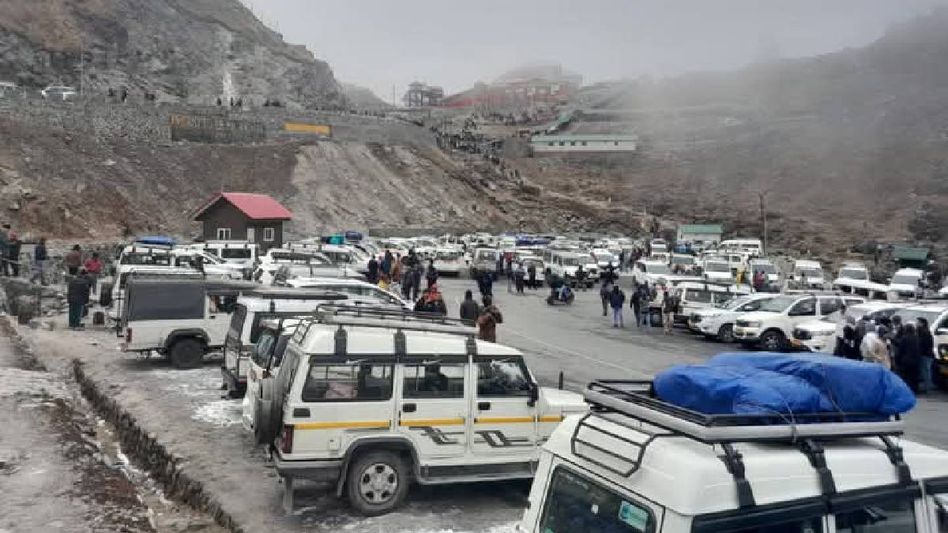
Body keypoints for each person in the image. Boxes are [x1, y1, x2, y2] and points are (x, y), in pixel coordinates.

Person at [893, 323, 921, 393]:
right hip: (916, 359)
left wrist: (897, 359)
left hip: (906, 360)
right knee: (914, 375)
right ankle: (915, 389)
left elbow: (901, 350)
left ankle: (907, 389)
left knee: (906, 376)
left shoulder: (904, 338)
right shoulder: (916, 338)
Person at [917, 318, 935, 393]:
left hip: (926, 355)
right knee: (926, 371)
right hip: (927, 354)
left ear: (922, 323)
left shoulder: (924, 332)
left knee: (926, 371)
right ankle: (927, 386)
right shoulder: (924, 332)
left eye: (918, 322)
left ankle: (927, 387)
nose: (916, 324)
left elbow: (924, 344)